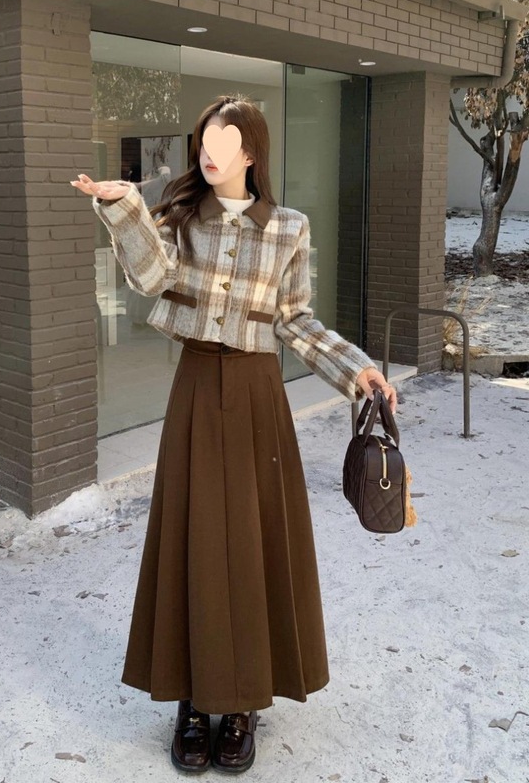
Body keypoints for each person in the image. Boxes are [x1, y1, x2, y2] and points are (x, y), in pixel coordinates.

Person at [70, 94, 397, 775]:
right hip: (195, 386)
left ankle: (244, 701)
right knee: (192, 537)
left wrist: (357, 370)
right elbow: (151, 277)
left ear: (251, 151)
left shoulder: (289, 228)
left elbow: (295, 320)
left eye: (222, 143)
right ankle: (191, 699)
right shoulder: (181, 217)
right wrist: (125, 208)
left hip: (256, 395)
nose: (209, 154)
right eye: (203, 143)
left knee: (250, 543)